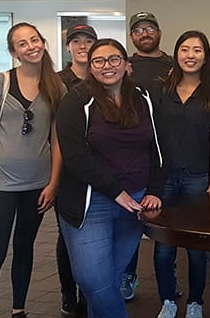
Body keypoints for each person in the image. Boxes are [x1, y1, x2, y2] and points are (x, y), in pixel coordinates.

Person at [55, 38, 164, 318]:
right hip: (90, 204)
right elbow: (75, 156)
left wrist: (154, 189)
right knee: (93, 280)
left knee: (108, 281)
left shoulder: (143, 96)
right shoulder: (76, 100)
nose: (107, 66)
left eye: (114, 59)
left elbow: (158, 148)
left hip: (136, 203)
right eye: (99, 61)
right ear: (90, 68)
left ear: (127, 64)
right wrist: (117, 192)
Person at [0, 22, 64, 318]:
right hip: (1, 184)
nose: (31, 47)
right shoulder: (0, 82)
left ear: (42, 42)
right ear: (13, 52)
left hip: (37, 185)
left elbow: (57, 142)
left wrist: (53, 183)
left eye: (34, 40)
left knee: (25, 248)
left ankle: (19, 309)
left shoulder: (56, 86)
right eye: (22, 44)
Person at [152, 31, 210, 318]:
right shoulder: (162, 91)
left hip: (198, 178)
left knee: (197, 248)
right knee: (163, 247)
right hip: (165, 179)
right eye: (184, 49)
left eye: (197, 50)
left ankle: (195, 302)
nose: (190, 55)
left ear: (205, 56)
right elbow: (154, 138)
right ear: (176, 54)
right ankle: (168, 300)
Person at [122, 11, 173, 300]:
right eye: (139, 30)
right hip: (136, 155)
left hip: (170, 152)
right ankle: (128, 276)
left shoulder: (172, 66)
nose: (145, 34)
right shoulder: (126, 67)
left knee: (167, 222)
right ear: (132, 37)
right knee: (132, 219)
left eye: (150, 28)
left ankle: (169, 279)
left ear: (159, 32)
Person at [57, 23, 97, 317]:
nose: (82, 46)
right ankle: (69, 294)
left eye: (88, 41)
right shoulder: (58, 82)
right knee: (68, 236)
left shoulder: (105, 77)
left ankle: (91, 293)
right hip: (68, 173)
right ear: (68, 46)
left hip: (99, 172)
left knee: (93, 235)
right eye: (76, 41)